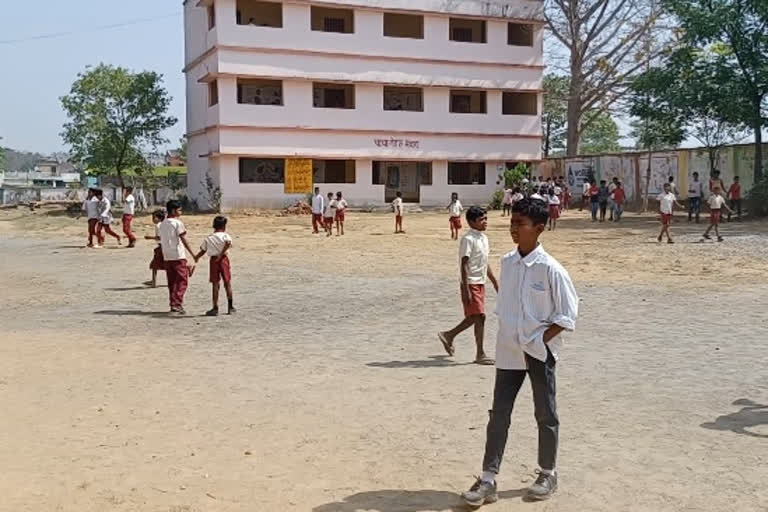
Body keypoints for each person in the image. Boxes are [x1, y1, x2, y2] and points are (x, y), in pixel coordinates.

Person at [460, 197, 578, 507]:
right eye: (512, 222)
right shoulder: (508, 263)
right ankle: (487, 479)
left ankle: (548, 473)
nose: (513, 229)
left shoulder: (551, 270)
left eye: (520, 224)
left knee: (545, 413)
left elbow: (567, 317)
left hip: (539, 353)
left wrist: (540, 341)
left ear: (539, 229)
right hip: (509, 352)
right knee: (499, 414)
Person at [438, 206, 498, 365]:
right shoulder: (468, 239)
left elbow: (485, 262)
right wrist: (466, 289)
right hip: (471, 282)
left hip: (480, 281)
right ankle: (479, 353)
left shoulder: (484, 238)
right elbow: (464, 264)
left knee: (475, 316)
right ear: (472, 222)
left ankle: (449, 335)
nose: (485, 222)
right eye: (481, 220)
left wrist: (494, 281)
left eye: (486, 218)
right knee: (479, 316)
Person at [158, 200, 195, 315]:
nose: (181, 212)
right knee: (182, 280)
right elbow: (183, 239)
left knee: (172, 281)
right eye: (179, 210)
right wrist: (193, 253)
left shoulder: (162, 224)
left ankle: (173, 303)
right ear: (174, 210)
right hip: (177, 255)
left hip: (167, 256)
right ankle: (177, 304)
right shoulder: (177, 223)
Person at [194, 216, 236, 316]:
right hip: (224, 259)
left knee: (215, 284)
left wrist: (196, 257)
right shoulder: (225, 236)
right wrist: (221, 254)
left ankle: (215, 307)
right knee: (227, 282)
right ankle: (230, 306)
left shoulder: (209, 238)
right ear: (224, 226)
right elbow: (228, 243)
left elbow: (203, 250)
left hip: (213, 260)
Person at [144, 209, 166, 288]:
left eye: (154, 217)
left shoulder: (158, 225)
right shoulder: (163, 224)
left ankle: (154, 281)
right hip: (164, 246)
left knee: (155, 265)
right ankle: (153, 280)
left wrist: (149, 237)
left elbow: (159, 237)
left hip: (161, 247)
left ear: (159, 218)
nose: (153, 219)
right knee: (163, 264)